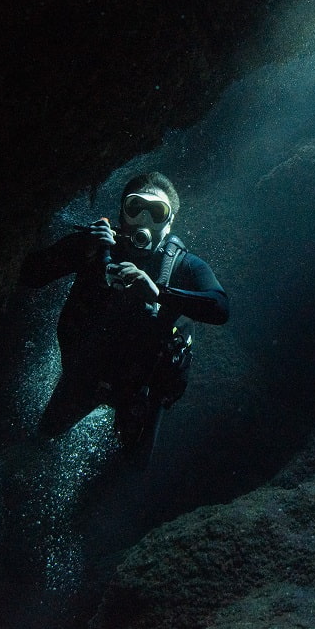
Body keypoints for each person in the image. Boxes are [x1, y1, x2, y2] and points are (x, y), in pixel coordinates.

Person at [19, 172, 229, 460]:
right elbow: (28, 274)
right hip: (82, 375)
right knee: (40, 441)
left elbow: (219, 308)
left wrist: (158, 294)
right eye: (135, 208)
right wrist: (84, 248)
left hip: (137, 388)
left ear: (170, 223)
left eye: (157, 212)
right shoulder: (96, 246)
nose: (144, 220)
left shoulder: (183, 266)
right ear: (121, 214)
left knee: (135, 463)